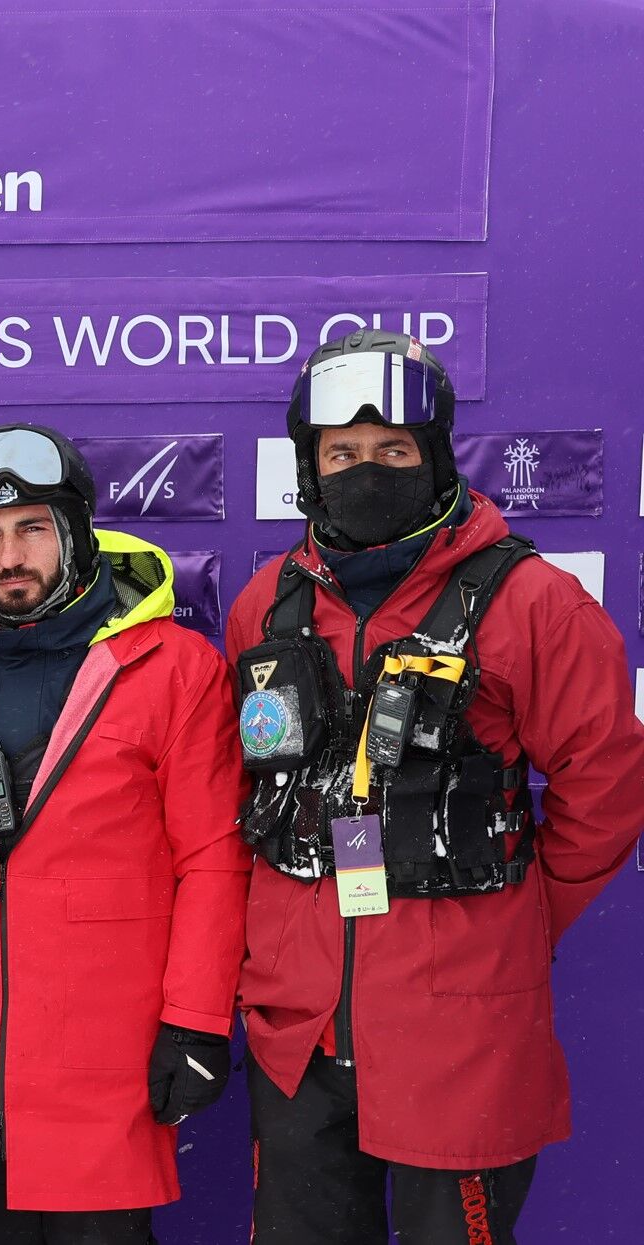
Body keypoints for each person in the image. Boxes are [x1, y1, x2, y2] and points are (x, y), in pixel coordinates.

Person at [228, 330, 644, 1244]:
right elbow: (246, 792)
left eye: (392, 452)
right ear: (309, 463)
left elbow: (606, 787)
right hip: (298, 1027)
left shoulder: (533, 603)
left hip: (458, 1029)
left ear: (436, 454)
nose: (364, 473)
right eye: (341, 454)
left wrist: (516, 914)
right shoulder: (267, 601)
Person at [0, 424, 248, 1242]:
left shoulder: (174, 667)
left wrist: (197, 1019)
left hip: (107, 1058)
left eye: (32, 528)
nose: (9, 556)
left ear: (76, 531)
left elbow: (212, 859)